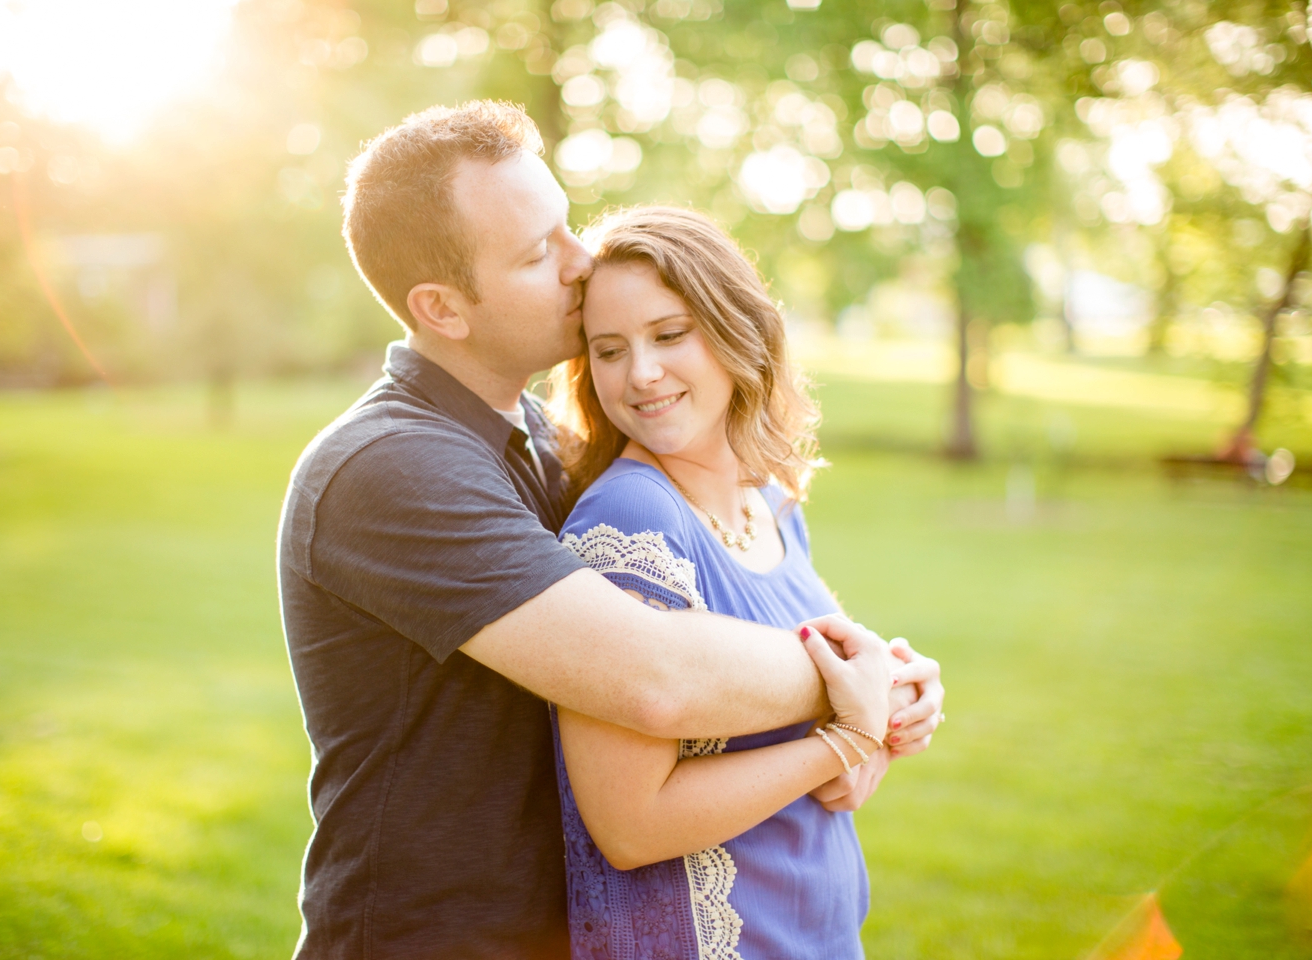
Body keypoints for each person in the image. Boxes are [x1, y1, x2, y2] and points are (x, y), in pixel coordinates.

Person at [275, 99, 945, 960]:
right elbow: (653, 673)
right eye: (536, 252)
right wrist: (868, 684)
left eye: (565, 226)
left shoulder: (548, 448)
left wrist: (881, 680)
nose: (579, 260)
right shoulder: (389, 468)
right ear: (442, 307)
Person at [547, 206, 913, 959]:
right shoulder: (631, 517)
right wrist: (847, 738)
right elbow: (629, 825)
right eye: (609, 350)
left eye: (670, 334)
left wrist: (899, 697)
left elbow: (824, 714)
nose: (641, 373)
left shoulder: (770, 501)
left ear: (734, 328)